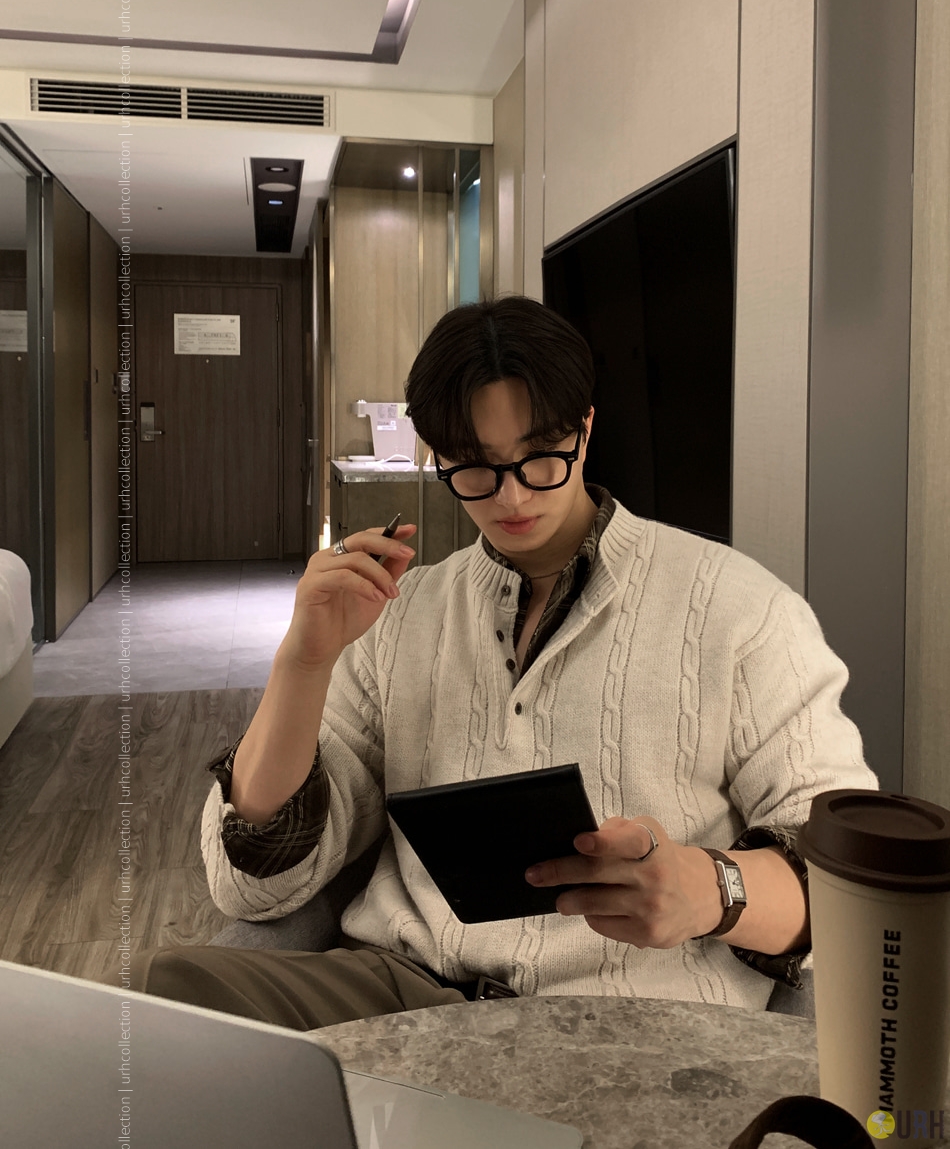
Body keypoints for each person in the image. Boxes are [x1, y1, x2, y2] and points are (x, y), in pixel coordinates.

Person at [119, 297, 877, 1027]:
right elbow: (257, 884)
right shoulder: (400, 616)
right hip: (404, 993)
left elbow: (847, 878)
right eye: (475, 467)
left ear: (585, 428)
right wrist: (303, 661)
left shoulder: (743, 610)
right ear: (438, 455)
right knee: (164, 995)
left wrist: (715, 889)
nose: (512, 497)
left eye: (540, 457)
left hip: (632, 1022)